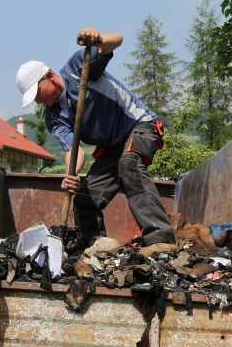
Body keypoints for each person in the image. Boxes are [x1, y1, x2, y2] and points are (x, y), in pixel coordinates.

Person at [16, 27, 176, 248]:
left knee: (129, 164)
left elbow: (117, 40)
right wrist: (71, 174)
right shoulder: (53, 117)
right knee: (84, 196)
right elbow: (74, 151)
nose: (37, 101)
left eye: (37, 93)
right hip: (113, 146)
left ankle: (161, 238)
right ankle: (95, 243)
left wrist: (98, 39)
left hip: (140, 126)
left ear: (50, 77)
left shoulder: (78, 66)